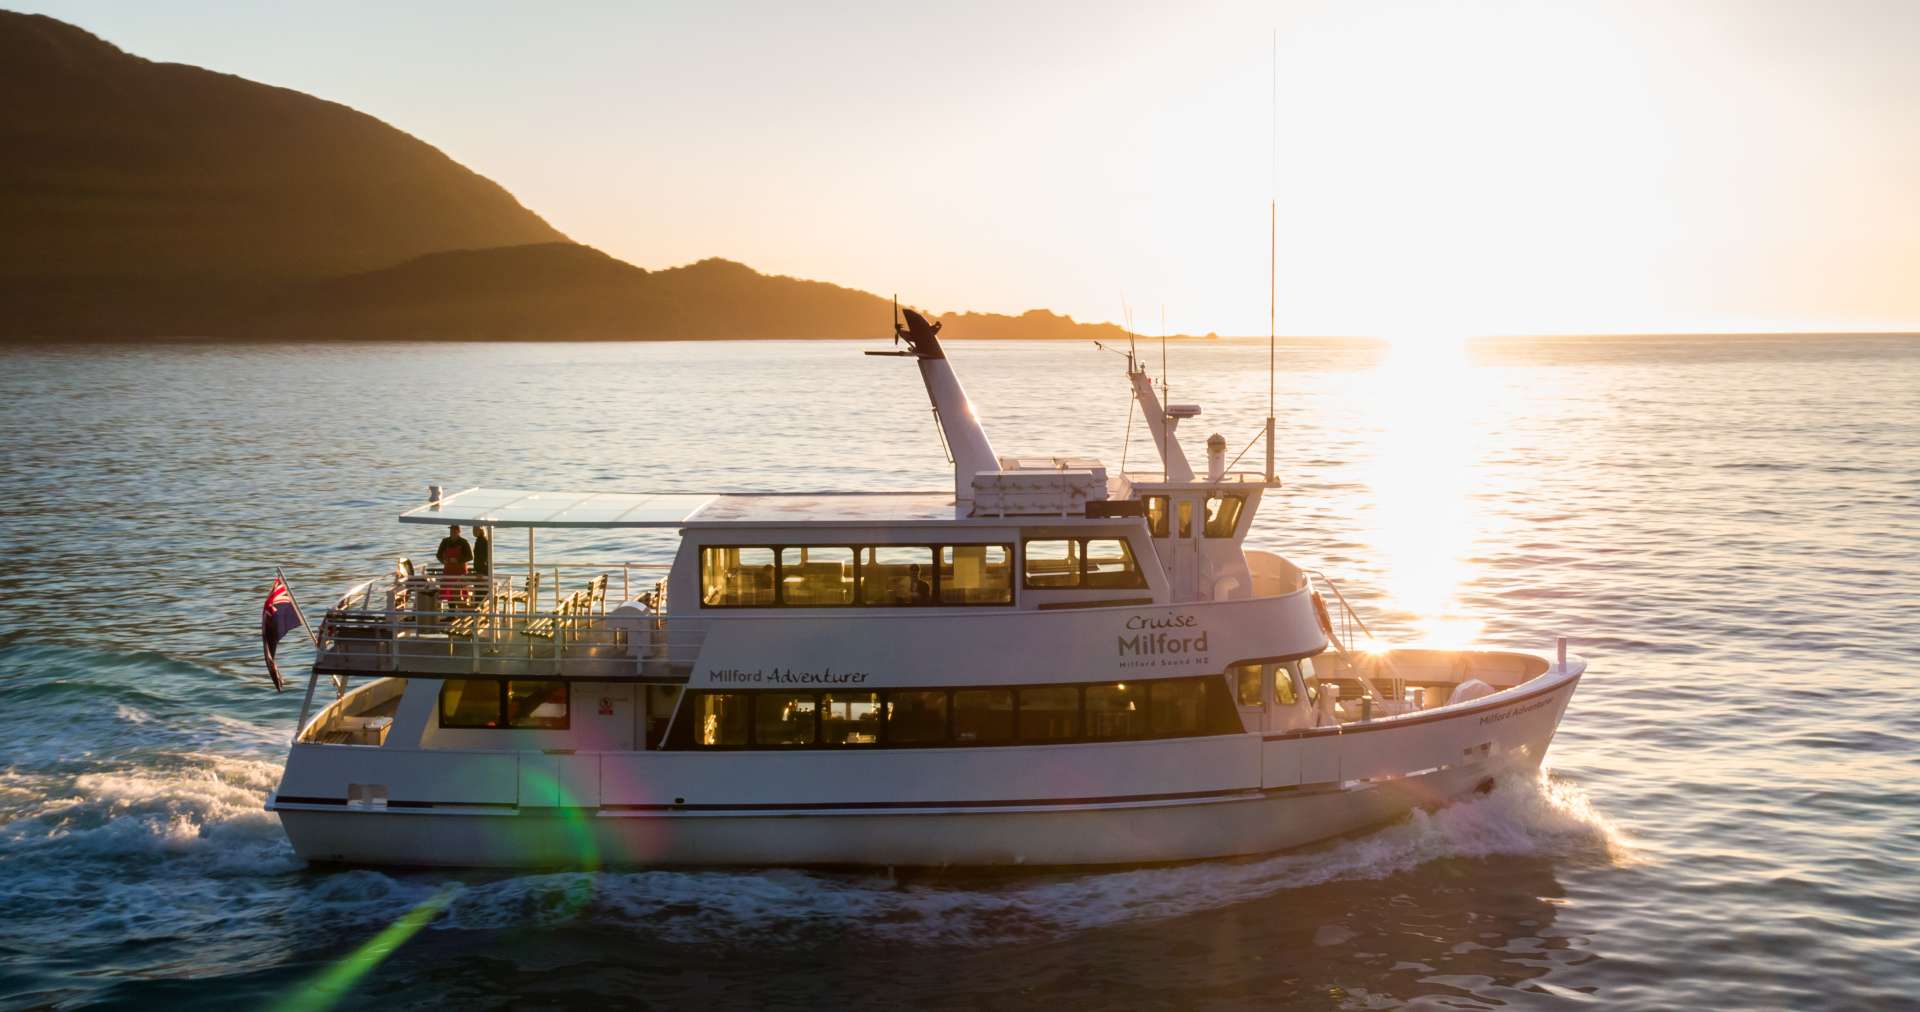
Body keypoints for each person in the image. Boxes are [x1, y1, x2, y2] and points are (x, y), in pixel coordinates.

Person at [437, 524, 473, 604]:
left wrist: (458, 560)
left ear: (459, 531)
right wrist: (443, 561)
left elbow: (470, 557)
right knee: (447, 594)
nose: (452, 532)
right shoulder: (445, 541)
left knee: (461, 593)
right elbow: (438, 555)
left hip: (460, 573)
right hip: (448, 572)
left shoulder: (464, 542)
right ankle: (450, 612)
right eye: (451, 530)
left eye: (454, 530)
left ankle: (462, 610)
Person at [471, 527, 492, 605]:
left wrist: (481, 571)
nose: (473, 531)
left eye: (475, 529)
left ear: (480, 530)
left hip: (482, 572)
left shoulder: (483, 541)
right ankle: (479, 611)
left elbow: (484, 558)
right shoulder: (480, 541)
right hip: (480, 571)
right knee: (479, 592)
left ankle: (480, 611)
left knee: (481, 593)